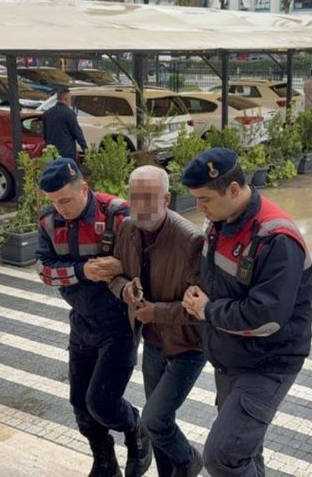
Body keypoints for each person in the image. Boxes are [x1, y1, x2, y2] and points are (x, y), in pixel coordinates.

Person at [179, 148, 312, 477]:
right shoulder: (221, 221)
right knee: (245, 452)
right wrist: (196, 292)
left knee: (222, 456)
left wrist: (207, 310)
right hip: (230, 357)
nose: (199, 208)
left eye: (205, 199)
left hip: (268, 361)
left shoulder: (276, 238)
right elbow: (216, 277)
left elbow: (266, 317)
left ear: (233, 189)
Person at [35, 158, 152, 477]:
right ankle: (104, 461)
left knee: (102, 401)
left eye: (65, 200)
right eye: (54, 202)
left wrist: (122, 265)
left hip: (118, 325)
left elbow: (146, 260)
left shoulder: (117, 214)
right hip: (81, 322)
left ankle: (136, 430)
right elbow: (44, 271)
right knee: (80, 404)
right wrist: (82, 271)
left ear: (83, 188)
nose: (60, 208)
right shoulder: (49, 222)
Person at [108, 166, 206, 477]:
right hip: (152, 343)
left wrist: (156, 313)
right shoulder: (127, 228)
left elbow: (201, 310)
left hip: (187, 346)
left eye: (149, 198)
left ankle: (190, 461)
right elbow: (115, 275)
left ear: (166, 199)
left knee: (154, 419)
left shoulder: (191, 240)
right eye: (134, 197)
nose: (140, 205)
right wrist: (124, 289)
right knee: (159, 423)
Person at [42, 88, 88, 160]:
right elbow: (77, 133)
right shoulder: (69, 114)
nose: (70, 101)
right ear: (66, 99)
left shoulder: (47, 113)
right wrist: (86, 150)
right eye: (70, 99)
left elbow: (45, 134)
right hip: (67, 153)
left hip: (51, 152)